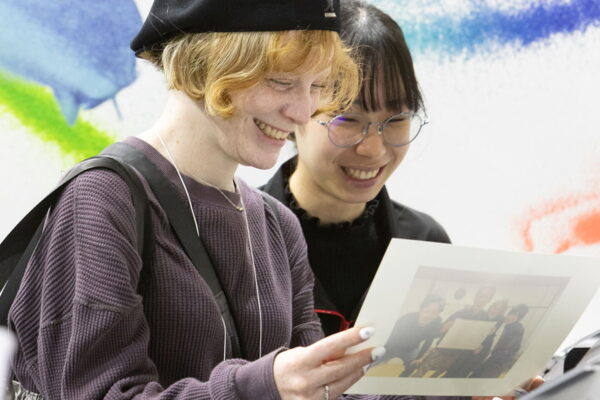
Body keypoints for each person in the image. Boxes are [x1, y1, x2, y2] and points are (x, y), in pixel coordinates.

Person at [6, 1, 387, 399]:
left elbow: (317, 388)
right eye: (280, 81)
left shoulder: (276, 224)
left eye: (317, 86)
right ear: (202, 65)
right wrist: (260, 387)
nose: (303, 112)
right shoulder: (103, 200)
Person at [261, 1, 543, 399]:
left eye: (395, 121)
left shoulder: (425, 243)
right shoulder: (242, 240)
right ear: (296, 114)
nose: (373, 150)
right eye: (348, 120)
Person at [380, 295, 445, 375]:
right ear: (421, 309)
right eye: (427, 311)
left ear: (438, 314)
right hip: (394, 346)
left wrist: (419, 357)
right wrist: (387, 352)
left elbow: (429, 340)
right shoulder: (407, 318)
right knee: (375, 360)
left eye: (434, 313)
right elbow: (393, 336)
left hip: (412, 349)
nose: (429, 315)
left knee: (414, 364)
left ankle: (402, 378)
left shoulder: (437, 321)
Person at [471, 304, 529, 378]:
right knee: (475, 376)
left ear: (519, 318)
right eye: (510, 314)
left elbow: (505, 345)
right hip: (493, 359)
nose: (510, 317)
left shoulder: (517, 328)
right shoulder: (506, 324)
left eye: (516, 316)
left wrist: (492, 333)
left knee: (479, 378)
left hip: (498, 363)